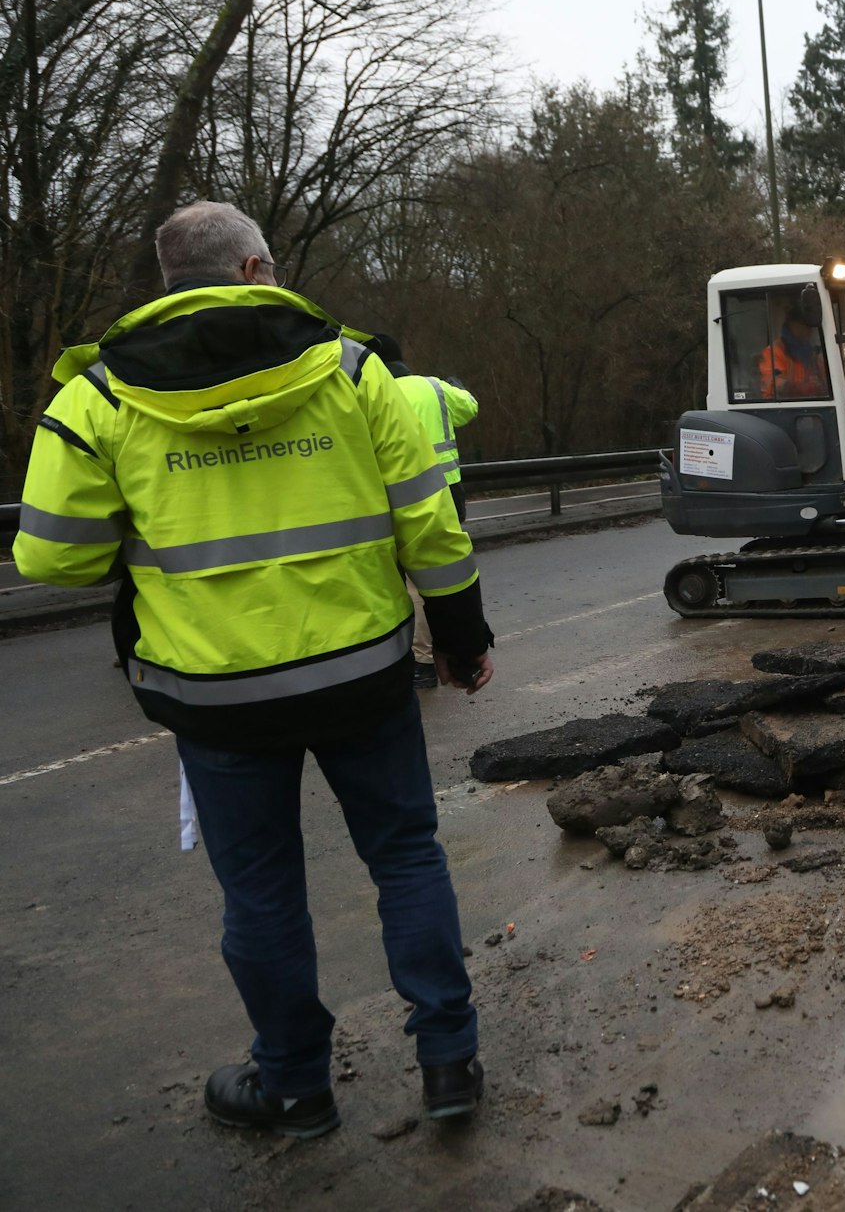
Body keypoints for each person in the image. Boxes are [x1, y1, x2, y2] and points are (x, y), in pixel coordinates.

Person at [14, 201, 494, 1140]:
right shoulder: (354, 371)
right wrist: (464, 640)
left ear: (168, 285)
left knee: (264, 893)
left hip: (214, 695)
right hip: (362, 674)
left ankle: (295, 1089)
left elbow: (50, 558)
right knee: (404, 858)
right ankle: (448, 1063)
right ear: (259, 267)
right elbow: (431, 530)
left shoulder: (99, 398)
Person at [365, 334, 480, 688]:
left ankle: (414, 657)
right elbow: (470, 407)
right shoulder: (434, 387)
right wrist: (456, 386)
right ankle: (435, 655)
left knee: (398, 581)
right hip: (447, 492)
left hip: (390, 497)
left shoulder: (365, 391)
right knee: (436, 575)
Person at [758, 283, 831, 399]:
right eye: (805, 326)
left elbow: (826, 380)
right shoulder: (774, 352)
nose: (809, 331)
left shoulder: (812, 354)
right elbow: (774, 384)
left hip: (811, 405)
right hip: (781, 409)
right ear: (793, 325)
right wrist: (800, 387)